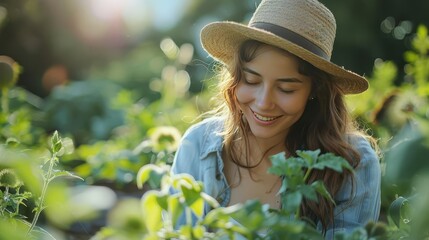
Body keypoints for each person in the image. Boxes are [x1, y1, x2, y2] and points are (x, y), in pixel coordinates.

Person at [171, 0, 381, 238]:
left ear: (314, 91)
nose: (263, 102)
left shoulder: (352, 163)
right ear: (235, 78)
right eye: (251, 81)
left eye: (286, 89)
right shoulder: (197, 146)